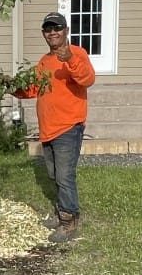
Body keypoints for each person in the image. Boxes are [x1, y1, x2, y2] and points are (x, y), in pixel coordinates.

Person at [9, 12, 95, 242]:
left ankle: (69, 221)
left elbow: (87, 79)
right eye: (48, 29)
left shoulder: (77, 53)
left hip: (68, 126)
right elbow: (34, 90)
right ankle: (61, 213)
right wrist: (13, 88)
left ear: (66, 30)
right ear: (44, 34)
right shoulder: (44, 61)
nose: (53, 32)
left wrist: (69, 59)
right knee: (54, 174)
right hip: (48, 128)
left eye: (57, 28)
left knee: (65, 177)